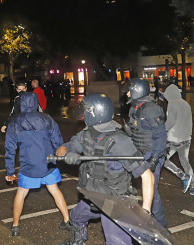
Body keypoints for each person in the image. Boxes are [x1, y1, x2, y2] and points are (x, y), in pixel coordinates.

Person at [56, 93, 154, 245]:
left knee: (116, 241)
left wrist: (145, 212)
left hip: (113, 200)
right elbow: (65, 147)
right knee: (76, 217)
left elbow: (147, 176)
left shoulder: (119, 141)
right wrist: (67, 152)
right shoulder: (87, 133)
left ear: (95, 113)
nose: (83, 113)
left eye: (86, 110)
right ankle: (77, 241)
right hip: (93, 195)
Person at [5, 92, 70, 236]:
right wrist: (55, 156)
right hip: (48, 163)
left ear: (21, 103)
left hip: (28, 165)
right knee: (54, 190)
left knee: (21, 193)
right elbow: (58, 141)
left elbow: (10, 149)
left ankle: (15, 226)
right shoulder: (47, 118)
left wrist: (10, 171)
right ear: (36, 103)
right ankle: (67, 220)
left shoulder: (15, 122)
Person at [124, 78, 168, 228]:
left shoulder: (151, 109)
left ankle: (162, 226)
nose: (127, 93)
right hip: (139, 152)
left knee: (152, 192)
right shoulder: (134, 107)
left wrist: (155, 158)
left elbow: (160, 135)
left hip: (151, 154)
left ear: (137, 91)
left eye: (130, 90)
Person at [162, 84, 194, 195]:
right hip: (186, 139)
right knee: (185, 162)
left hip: (174, 140)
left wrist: (160, 130)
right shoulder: (186, 103)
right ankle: (193, 188)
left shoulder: (172, 103)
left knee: (163, 159)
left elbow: (171, 122)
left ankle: (183, 176)